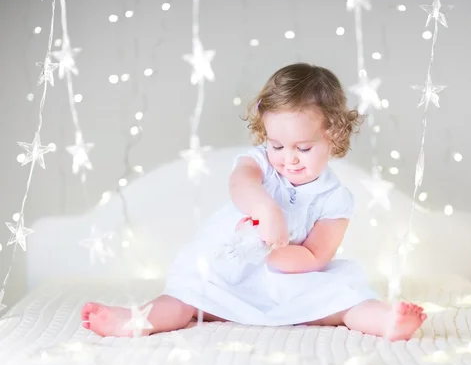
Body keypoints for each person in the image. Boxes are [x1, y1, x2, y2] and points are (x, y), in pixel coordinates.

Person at [81, 63, 426, 341]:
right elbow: (240, 184)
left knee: (345, 300)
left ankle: (386, 320)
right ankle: (135, 320)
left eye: (303, 148)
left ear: (333, 137)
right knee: (185, 298)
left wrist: (273, 250)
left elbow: (316, 255)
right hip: (230, 272)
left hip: (290, 279)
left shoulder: (336, 199)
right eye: (277, 145)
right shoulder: (258, 163)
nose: (288, 159)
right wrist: (266, 208)